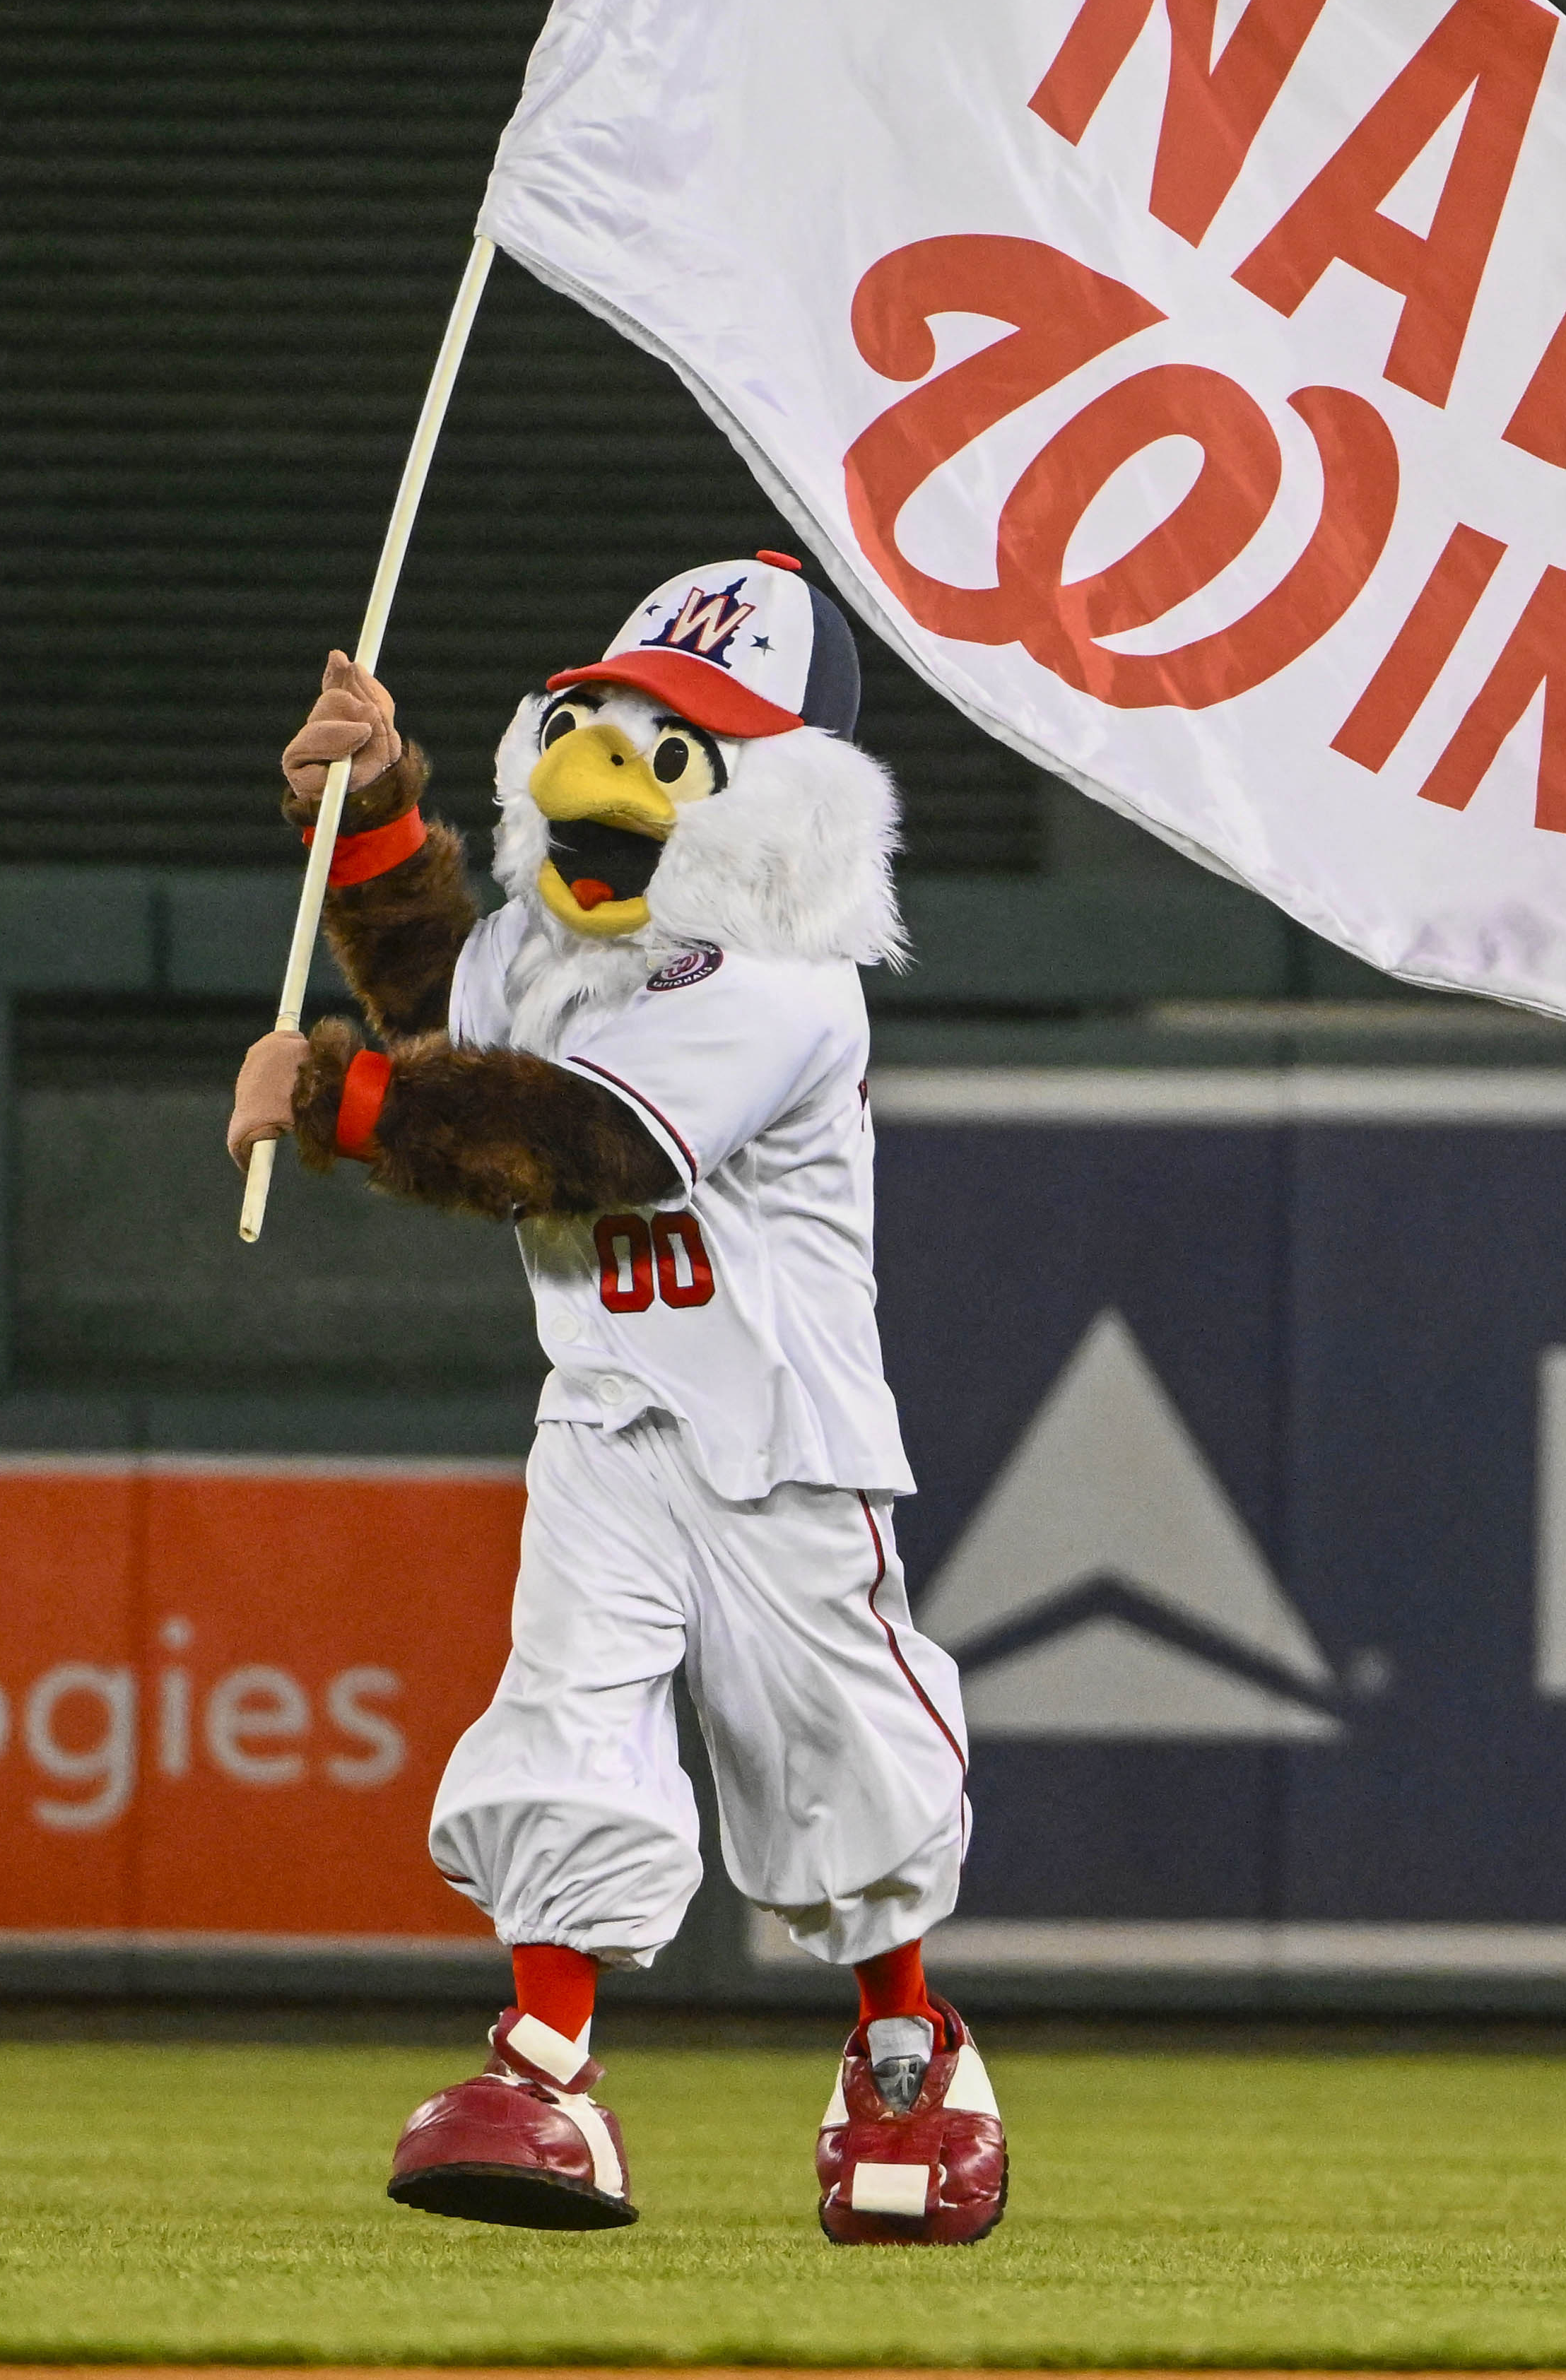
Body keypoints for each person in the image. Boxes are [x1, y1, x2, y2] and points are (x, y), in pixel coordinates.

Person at [225, 554, 1006, 2245]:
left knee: (837, 1759)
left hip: (780, 1439)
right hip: (604, 1416)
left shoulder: (783, 975)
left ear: (784, 793)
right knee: (564, 1710)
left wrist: (343, 1103)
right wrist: (371, 817)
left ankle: (901, 2046)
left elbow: (588, 1143)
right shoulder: (567, 946)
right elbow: (455, 1001)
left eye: (683, 742)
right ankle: (544, 2058)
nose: (613, 764)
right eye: (611, 718)